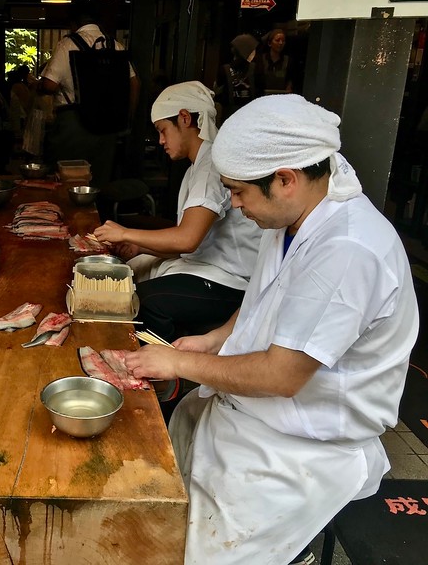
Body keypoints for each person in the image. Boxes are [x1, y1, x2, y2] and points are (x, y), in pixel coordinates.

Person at [124, 94, 419, 565]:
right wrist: (213, 339)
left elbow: (282, 376)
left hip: (301, 446)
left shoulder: (348, 249)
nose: (234, 205)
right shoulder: (294, 216)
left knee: (186, 553)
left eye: (239, 192)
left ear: (285, 179)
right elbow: (264, 298)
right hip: (251, 418)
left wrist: (181, 361)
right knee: (153, 500)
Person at [93, 81, 262, 343]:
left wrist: (126, 233)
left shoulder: (211, 167)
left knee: (145, 299)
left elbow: (187, 239)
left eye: (163, 130)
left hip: (230, 280)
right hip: (207, 268)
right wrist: (140, 248)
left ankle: (165, 373)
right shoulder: (198, 166)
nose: (161, 140)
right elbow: (187, 243)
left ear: (184, 118)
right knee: (127, 273)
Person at [39, 0, 140, 187]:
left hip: (73, 124)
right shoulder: (115, 45)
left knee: (66, 179)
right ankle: (97, 216)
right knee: (98, 181)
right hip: (108, 126)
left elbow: (49, 86)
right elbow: (135, 84)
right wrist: (127, 120)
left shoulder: (68, 44)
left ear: (74, 23)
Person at [214, 33, 259, 125]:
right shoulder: (256, 69)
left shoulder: (224, 69)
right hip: (250, 116)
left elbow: (217, 91)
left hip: (230, 116)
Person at [256, 28, 293, 94]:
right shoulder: (261, 59)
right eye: (277, 40)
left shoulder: (287, 60)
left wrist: (289, 87)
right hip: (264, 97)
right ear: (269, 43)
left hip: (282, 96)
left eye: (283, 41)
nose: (281, 43)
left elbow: (290, 79)